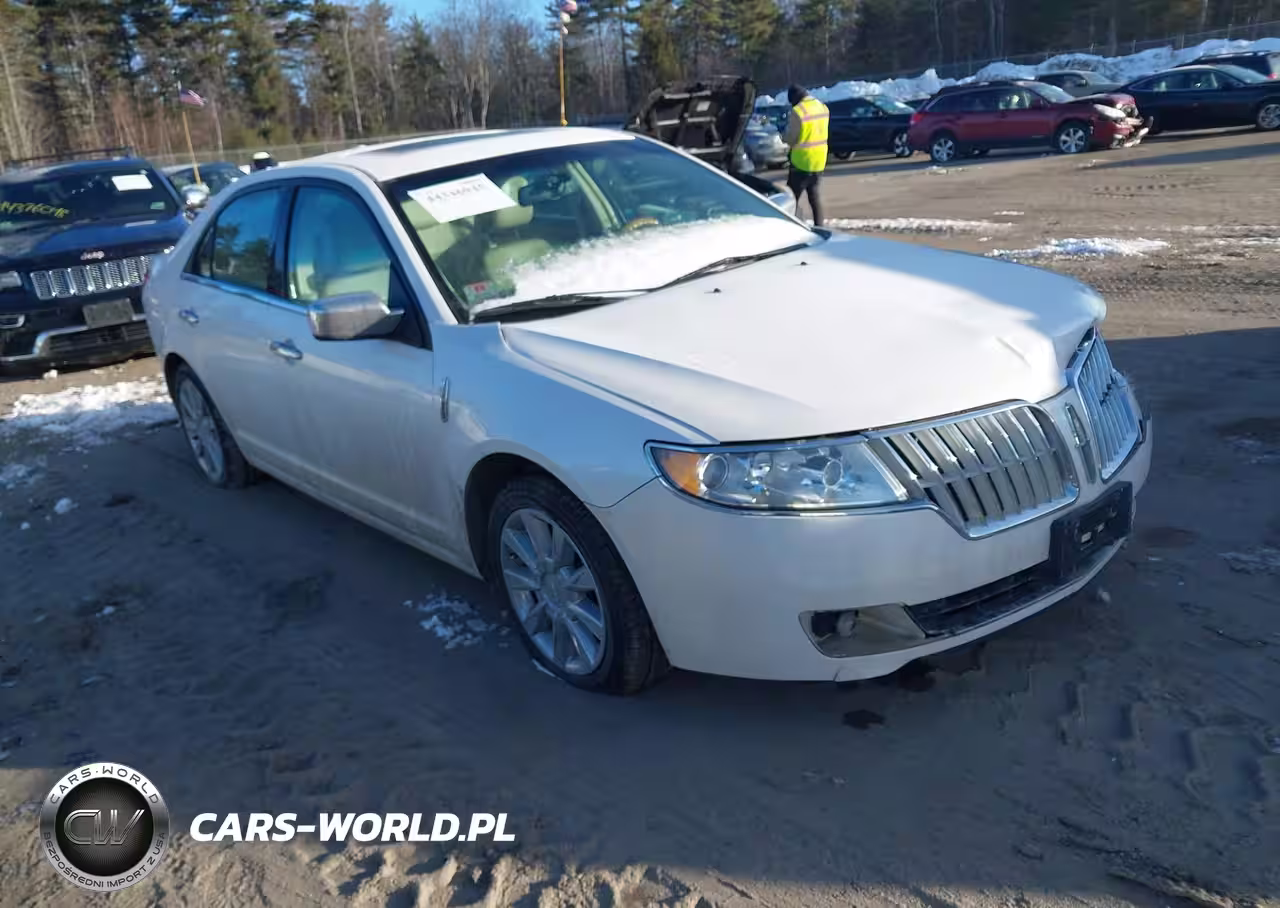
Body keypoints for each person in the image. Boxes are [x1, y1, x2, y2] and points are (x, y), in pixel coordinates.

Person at [782, 84, 829, 226]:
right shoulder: (822, 107)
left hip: (802, 160)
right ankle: (819, 226)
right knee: (814, 195)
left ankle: (790, 226)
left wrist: (783, 136)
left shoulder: (798, 111)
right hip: (819, 159)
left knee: (791, 198)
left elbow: (792, 138)